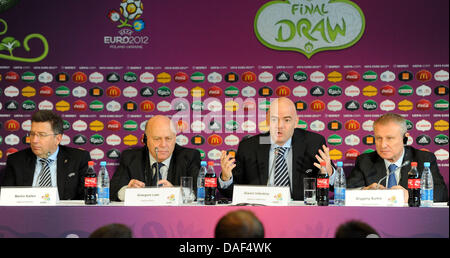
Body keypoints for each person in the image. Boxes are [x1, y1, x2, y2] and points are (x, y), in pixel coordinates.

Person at [219, 97, 334, 200]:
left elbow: (335, 186)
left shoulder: (313, 143)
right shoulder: (249, 147)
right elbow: (233, 193)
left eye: (287, 120)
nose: (280, 125)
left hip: (302, 212)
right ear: (268, 120)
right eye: (274, 119)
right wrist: (226, 178)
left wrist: (329, 172)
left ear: (296, 122)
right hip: (261, 210)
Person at [347, 113, 448, 202]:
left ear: (405, 138)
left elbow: (441, 193)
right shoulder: (365, 161)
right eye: (378, 138)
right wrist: (364, 192)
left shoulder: (424, 159)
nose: (383, 145)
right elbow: (347, 192)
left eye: (390, 138)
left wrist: (411, 196)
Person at [1, 110, 91, 200]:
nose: (34, 140)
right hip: (26, 213)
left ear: (58, 138)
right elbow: (7, 200)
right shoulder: (16, 161)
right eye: (32, 134)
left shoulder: (79, 159)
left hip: (66, 213)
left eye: (42, 135)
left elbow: (86, 197)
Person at [110, 115, 201, 201]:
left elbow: (201, 191)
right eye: (157, 139)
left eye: (168, 138)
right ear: (146, 139)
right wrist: (128, 191)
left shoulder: (189, 157)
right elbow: (113, 191)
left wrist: (175, 193)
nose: (163, 145)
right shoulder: (130, 158)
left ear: (174, 138)